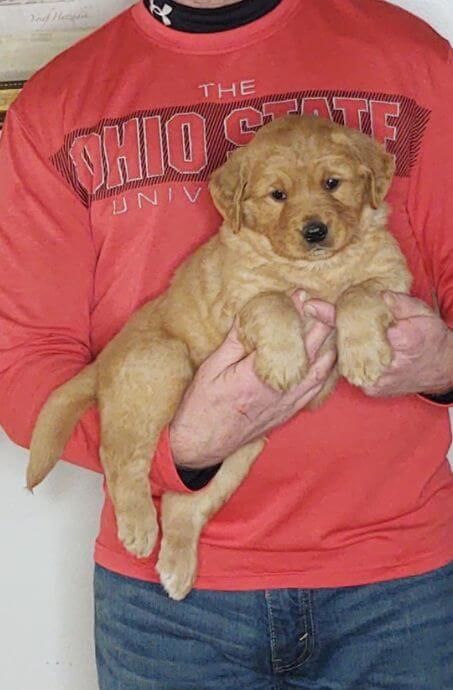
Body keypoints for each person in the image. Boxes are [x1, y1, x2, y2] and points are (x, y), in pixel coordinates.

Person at [1, 0, 453, 687]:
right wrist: (174, 451)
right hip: (166, 607)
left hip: (400, 583)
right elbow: (22, 365)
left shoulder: (411, 57)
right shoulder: (58, 102)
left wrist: (444, 363)